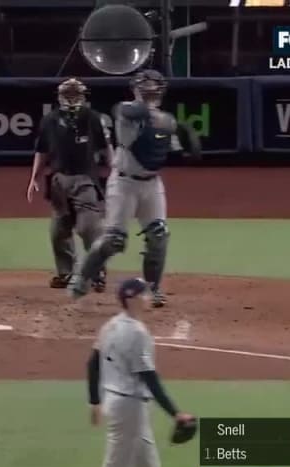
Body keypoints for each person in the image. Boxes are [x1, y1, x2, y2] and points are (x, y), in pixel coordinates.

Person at [77, 277, 196, 467]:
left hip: (120, 405)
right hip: (129, 408)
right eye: (143, 293)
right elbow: (149, 378)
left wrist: (94, 401)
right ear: (132, 298)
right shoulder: (137, 333)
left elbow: (92, 363)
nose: (148, 296)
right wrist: (175, 412)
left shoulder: (111, 325)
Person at [72, 69, 201, 308]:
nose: (151, 91)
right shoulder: (125, 110)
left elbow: (162, 152)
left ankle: (153, 288)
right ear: (136, 89)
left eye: (154, 87)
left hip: (152, 185)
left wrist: (181, 136)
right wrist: (163, 120)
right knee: (114, 241)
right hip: (123, 184)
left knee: (159, 236)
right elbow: (134, 112)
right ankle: (82, 279)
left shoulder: (166, 120)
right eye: (146, 87)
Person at [28, 78, 112, 291]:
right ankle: (65, 273)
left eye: (76, 95)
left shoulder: (93, 118)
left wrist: (115, 172)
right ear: (60, 97)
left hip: (85, 179)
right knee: (58, 231)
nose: (72, 98)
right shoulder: (49, 120)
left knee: (88, 228)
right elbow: (42, 151)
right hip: (58, 181)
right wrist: (33, 178)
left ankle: (97, 271)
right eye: (69, 94)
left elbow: (105, 148)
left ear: (83, 97)